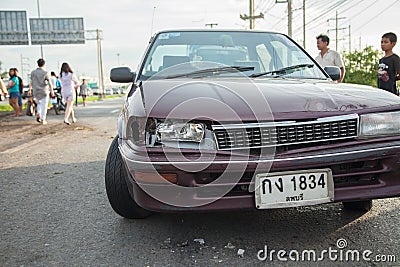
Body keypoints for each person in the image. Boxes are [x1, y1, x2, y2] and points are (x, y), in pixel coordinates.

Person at [29, 58, 54, 125]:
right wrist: (52, 91)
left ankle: (38, 113)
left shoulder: (33, 72)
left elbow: (31, 82)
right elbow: (50, 83)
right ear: (44, 64)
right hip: (44, 90)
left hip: (36, 91)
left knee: (39, 103)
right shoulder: (45, 72)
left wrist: (29, 89)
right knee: (44, 105)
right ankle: (43, 119)